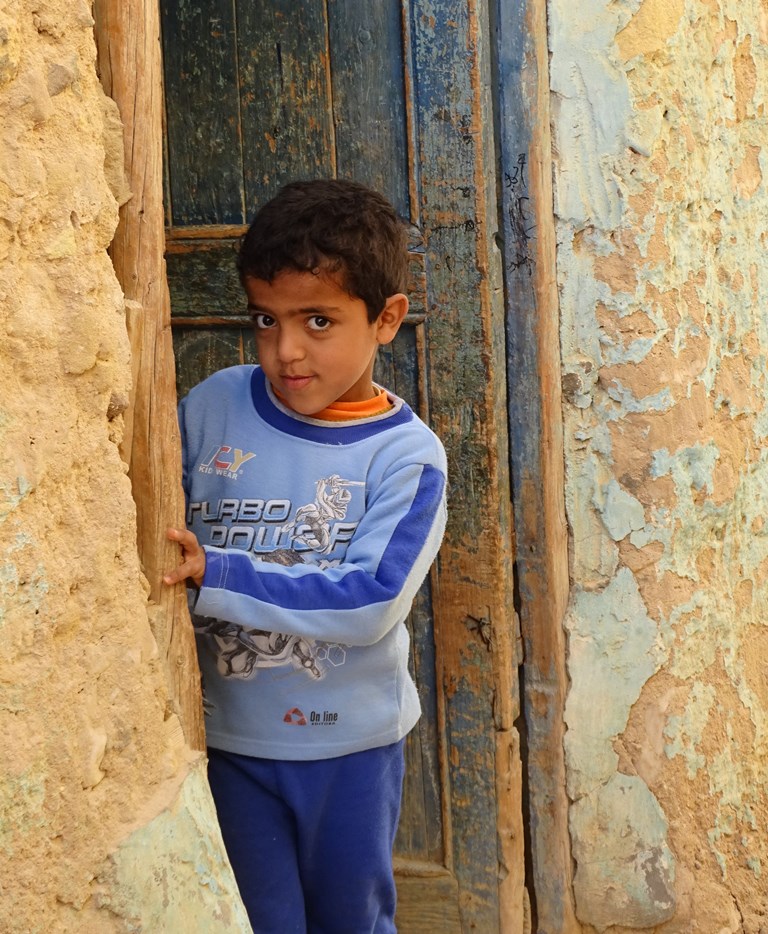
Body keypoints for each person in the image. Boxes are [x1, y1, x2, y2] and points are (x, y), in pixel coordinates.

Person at [163, 178, 447, 933]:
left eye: (318, 320)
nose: (286, 350)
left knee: (349, 921)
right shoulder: (214, 407)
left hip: (348, 751)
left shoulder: (405, 459)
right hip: (231, 745)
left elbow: (371, 601)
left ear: (387, 319)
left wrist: (216, 573)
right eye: (267, 319)